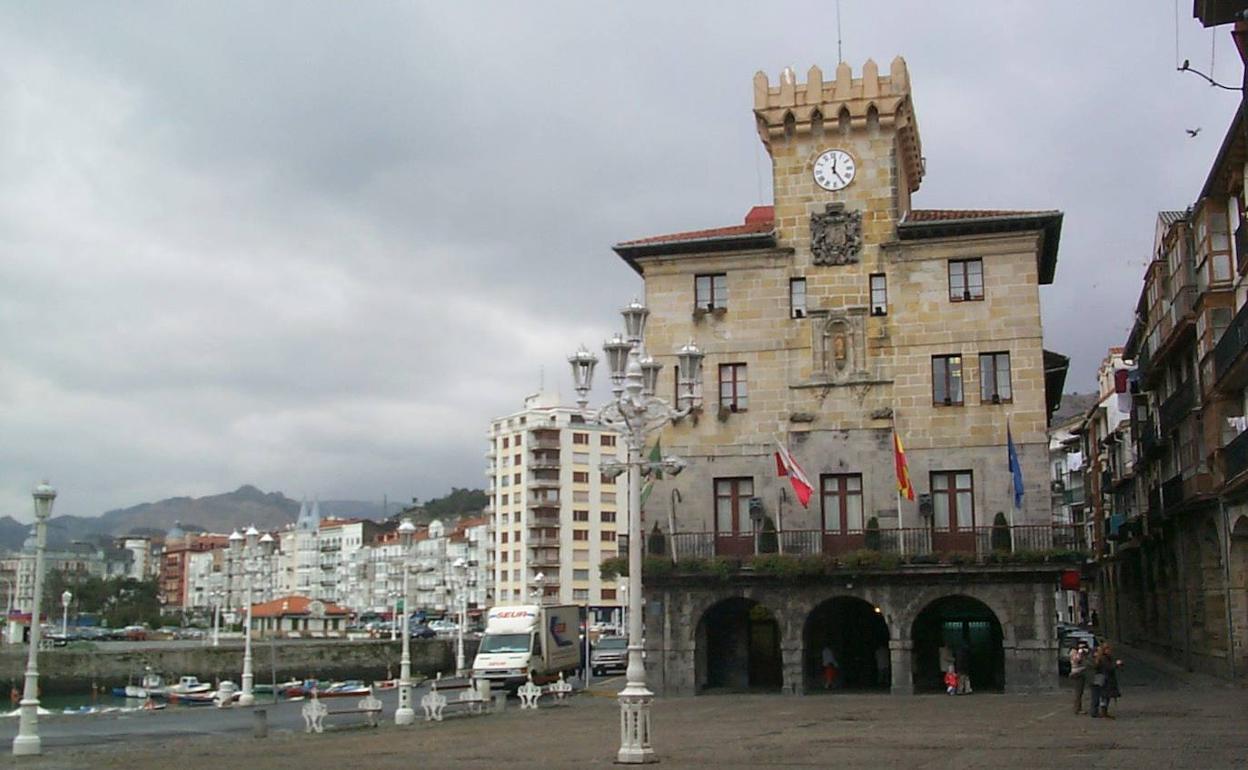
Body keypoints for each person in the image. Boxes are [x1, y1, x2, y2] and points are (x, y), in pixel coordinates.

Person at [1069, 641, 1090, 714]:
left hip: (1082, 672)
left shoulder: (1081, 652)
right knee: (1078, 692)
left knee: (1080, 692)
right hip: (1077, 673)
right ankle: (1077, 708)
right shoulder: (1073, 652)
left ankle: (1078, 707)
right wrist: (1080, 653)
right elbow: (1076, 660)